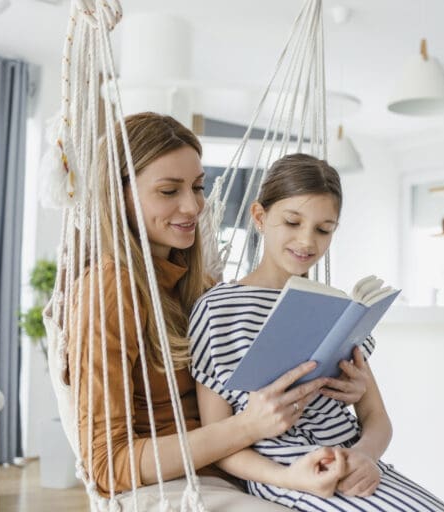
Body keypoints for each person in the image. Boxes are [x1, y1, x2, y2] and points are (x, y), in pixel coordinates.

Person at [66, 113, 364, 510]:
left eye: (198, 186)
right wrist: (246, 427)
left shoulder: (200, 286)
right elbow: (106, 464)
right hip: (184, 483)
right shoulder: (109, 288)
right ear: (119, 195)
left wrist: (343, 388)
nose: (193, 206)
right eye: (169, 190)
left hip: (252, 467)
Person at [189, 153, 444, 511]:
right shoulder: (218, 308)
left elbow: (376, 417)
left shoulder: (337, 309)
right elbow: (218, 440)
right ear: (260, 217)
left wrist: (365, 456)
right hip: (287, 470)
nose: (307, 241)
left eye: (323, 229)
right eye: (292, 222)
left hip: (356, 461)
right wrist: (291, 477)